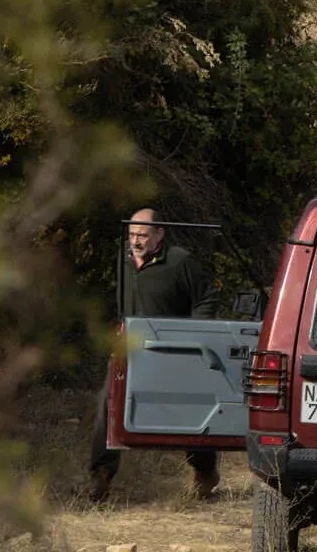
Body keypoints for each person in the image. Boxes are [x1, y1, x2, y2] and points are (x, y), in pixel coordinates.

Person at [87, 208, 221, 503]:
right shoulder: (122, 260)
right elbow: (114, 304)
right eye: (132, 234)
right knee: (107, 403)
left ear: (159, 234)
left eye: (143, 235)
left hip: (173, 351)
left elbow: (207, 298)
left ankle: (205, 472)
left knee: (190, 410)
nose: (136, 241)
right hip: (130, 350)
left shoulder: (179, 261)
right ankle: (101, 478)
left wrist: (191, 336)